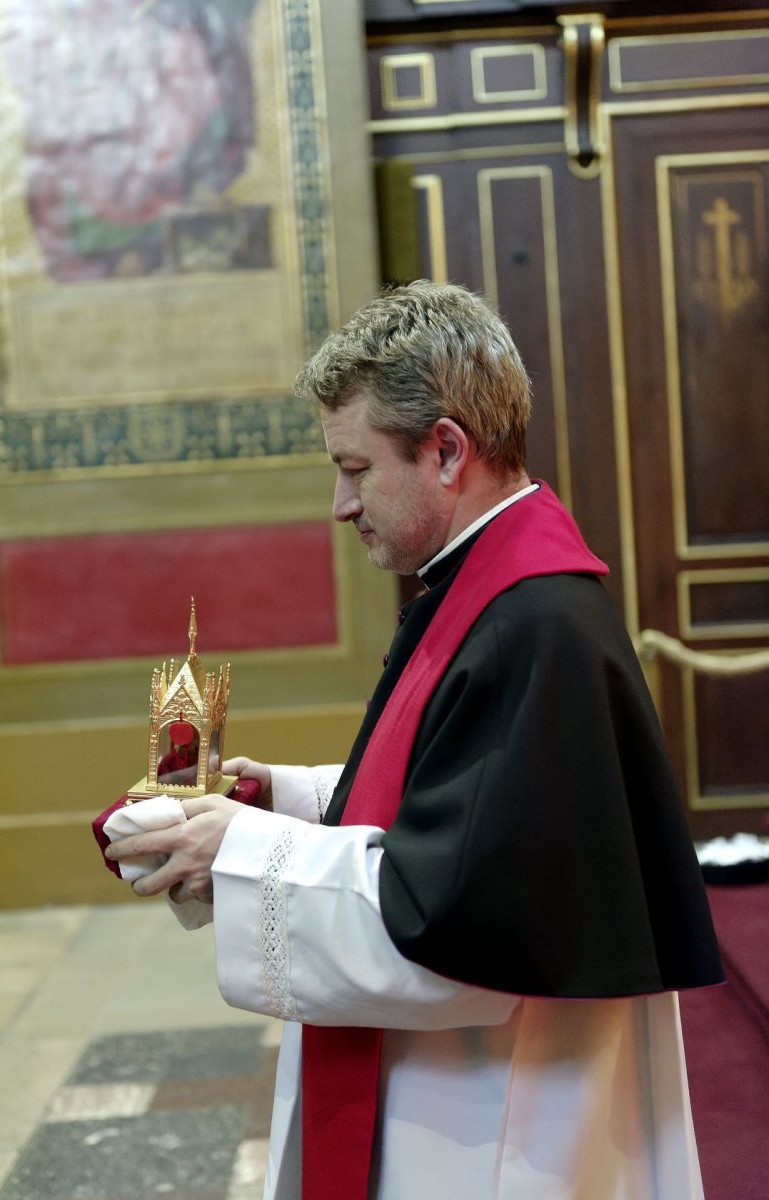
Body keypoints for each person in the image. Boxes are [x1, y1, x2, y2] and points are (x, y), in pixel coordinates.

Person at [103, 281, 724, 1200]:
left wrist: (237, 850)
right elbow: (466, 801)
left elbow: (455, 916)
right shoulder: (489, 587)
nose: (339, 506)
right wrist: (289, 799)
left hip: (501, 1118)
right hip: (478, 1085)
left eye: (355, 469)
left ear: (444, 450)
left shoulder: (529, 621)